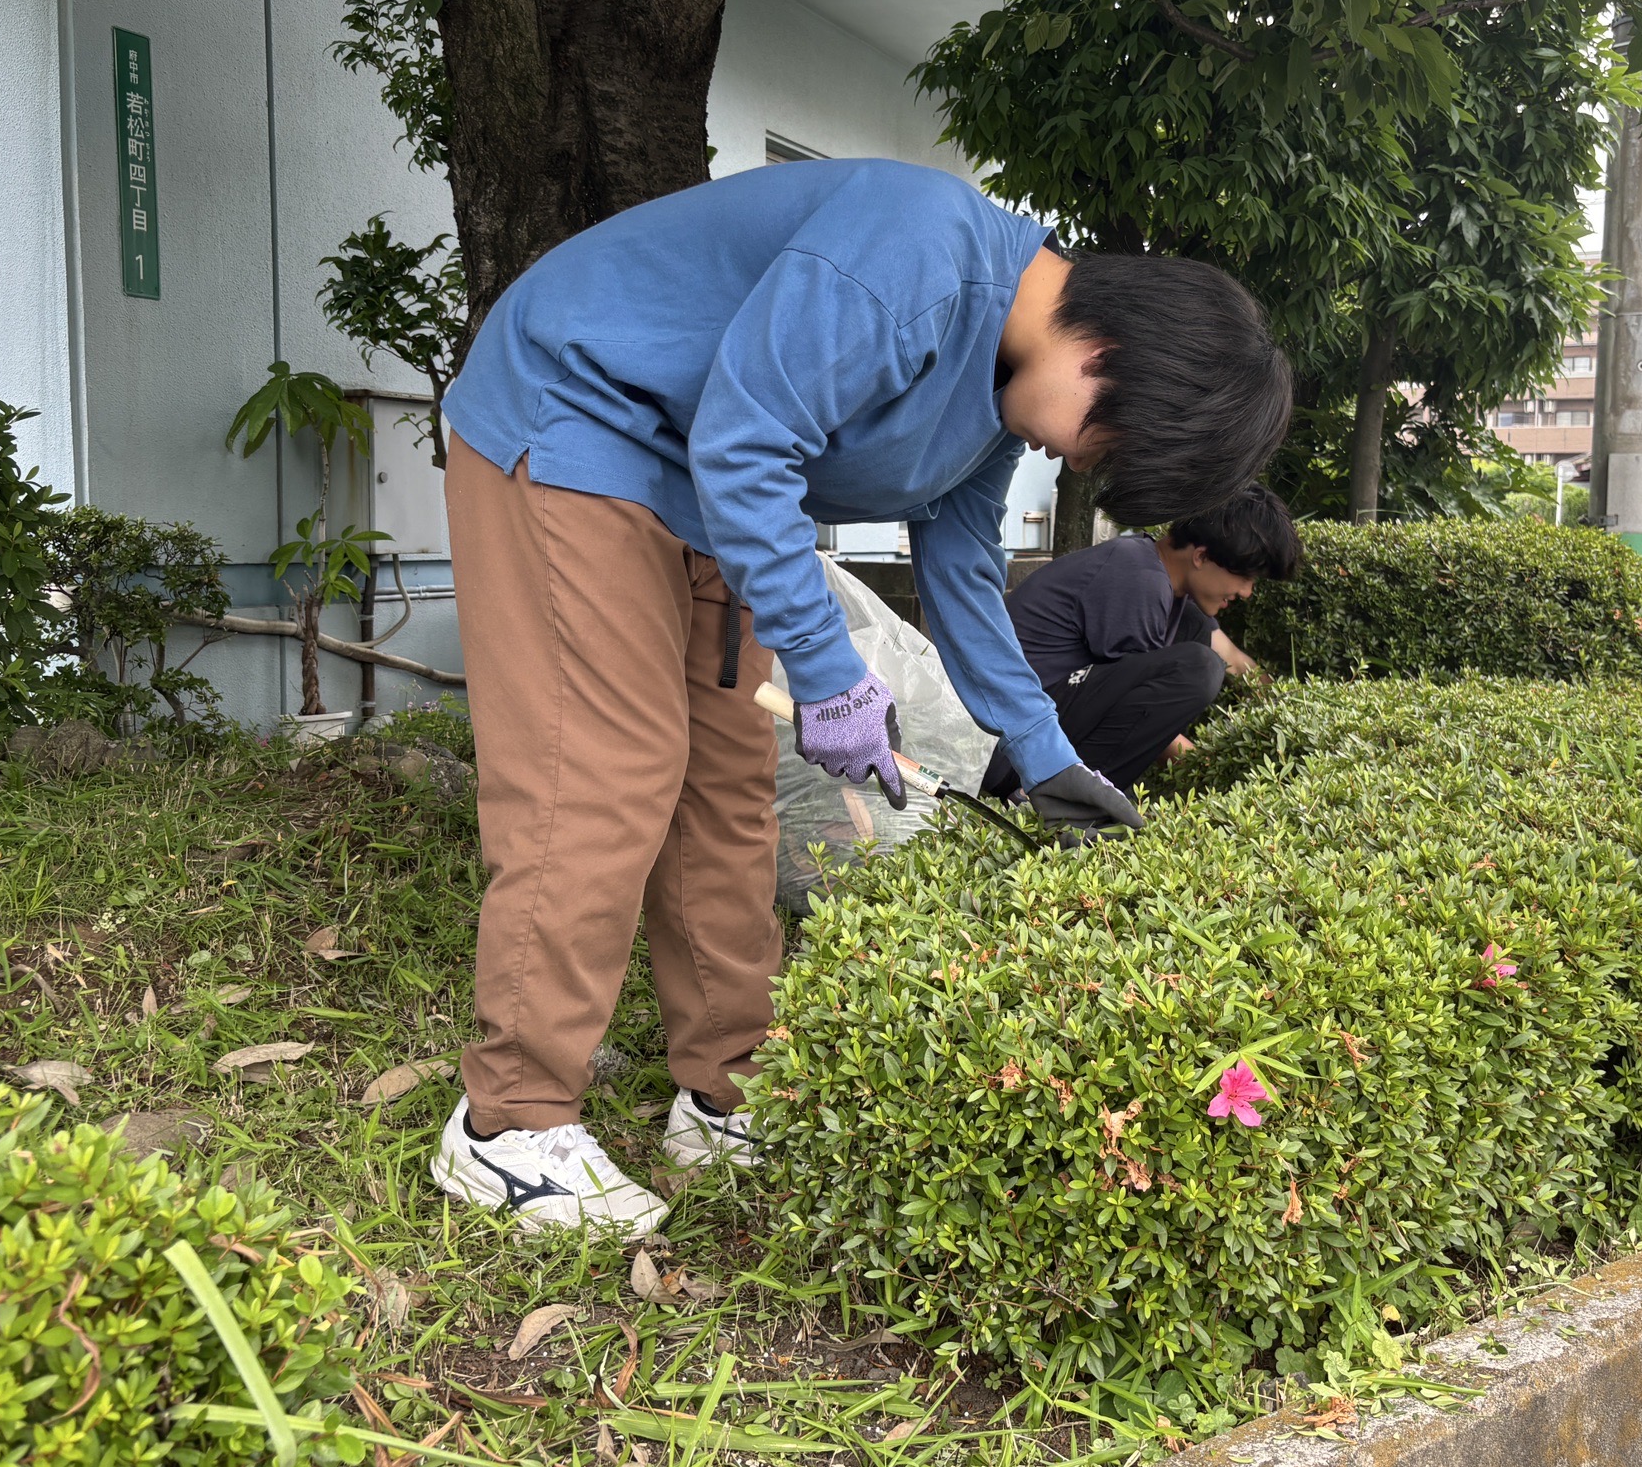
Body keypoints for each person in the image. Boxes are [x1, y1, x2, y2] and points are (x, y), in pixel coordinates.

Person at [424, 158, 1292, 1234]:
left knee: (725, 786)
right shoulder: (916, 254)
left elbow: (964, 569)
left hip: (695, 488)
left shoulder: (1002, 398)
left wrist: (1046, 749)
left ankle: (725, 1090)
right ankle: (507, 1125)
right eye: (1102, 441)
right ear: (1103, 350)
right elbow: (748, 445)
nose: (1073, 460)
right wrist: (832, 676)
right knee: (606, 770)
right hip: (575, 419)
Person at [986, 486, 1300, 798]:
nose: (1247, 592)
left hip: (1040, 722)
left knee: (1197, 635)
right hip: (1010, 746)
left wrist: (1285, 713)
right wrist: (1215, 778)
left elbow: (1231, 655)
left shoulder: (1163, 582)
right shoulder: (1136, 578)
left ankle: (1082, 789)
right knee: (1197, 668)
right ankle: (1072, 799)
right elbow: (1143, 710)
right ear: (1202, 556)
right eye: (1246, 577)